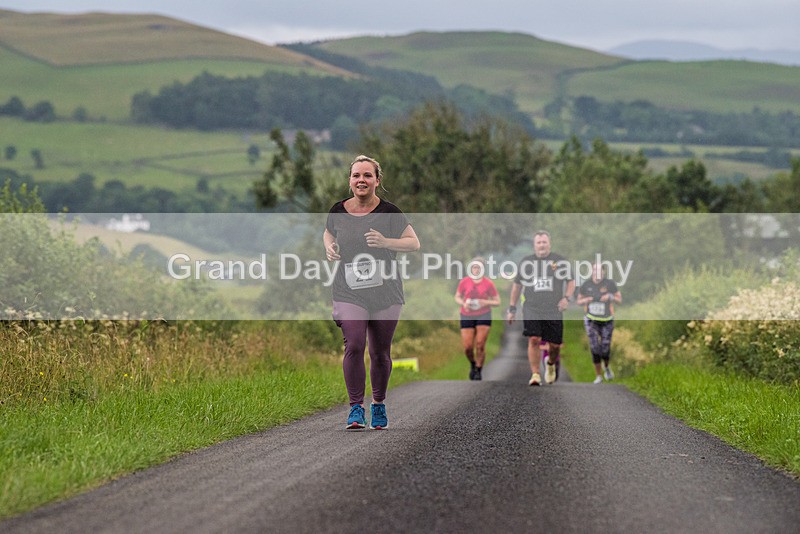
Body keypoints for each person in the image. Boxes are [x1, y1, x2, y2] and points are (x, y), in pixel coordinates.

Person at [323, 155, 420, 430]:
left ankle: (378, 405)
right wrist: (329, 247)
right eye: (356, 175)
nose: (361, 180)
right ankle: (355, 409)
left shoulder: (390, 212)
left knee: (380, 352)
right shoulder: (338, 210)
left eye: (367, 175)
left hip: (385, 292)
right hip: (348, 290)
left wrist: (385, 241)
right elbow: (328, 232)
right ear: (350, 180)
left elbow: (414, 243)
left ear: (377, 180)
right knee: (354, 343)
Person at [506, 230, 575, 386]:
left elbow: (571, 281)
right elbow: (517, 286)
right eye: (539, 242)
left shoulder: (560, 261)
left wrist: (566, 298)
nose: (542, 245)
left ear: (549, 243)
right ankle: (535, 374)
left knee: (555, 345)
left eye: (544, 242)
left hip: (554, 308)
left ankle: (550, 363)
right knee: (534, 338)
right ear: (534, 245)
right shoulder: (526, 263)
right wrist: (512, 309)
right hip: (532, 307)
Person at [454, 257, 501, 381]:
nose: (476, 270)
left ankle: (479, 371)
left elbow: (497, 302)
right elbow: (457, 297)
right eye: (474, 267)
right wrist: (463, 303)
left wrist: (485, 302)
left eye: (479, 267)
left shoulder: (488, 283)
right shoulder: (464, 282)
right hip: (467, 314)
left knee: (480, 344)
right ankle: (473, 363)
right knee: (468, 346)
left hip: (483, 314)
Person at [577, 262, 621, 384]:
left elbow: (619, 300)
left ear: (603, 272)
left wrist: (610, 297)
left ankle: (606, 367)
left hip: (607, 320)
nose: (597, 273)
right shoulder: (586, 285)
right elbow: (579, 301)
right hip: (591, 319)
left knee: (605, 347)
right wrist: (587, 299)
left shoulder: (610, 284)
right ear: (592, 272)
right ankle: (598, 376)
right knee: (595, 347)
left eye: (599, 270)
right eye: (595, 270)